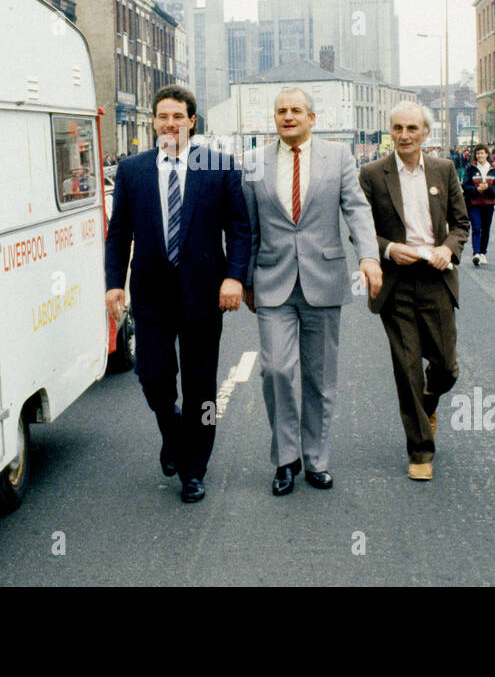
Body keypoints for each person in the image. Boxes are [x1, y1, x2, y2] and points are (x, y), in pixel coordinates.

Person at [104, 84, 250, 504]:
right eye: (163, 116)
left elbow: (239, 229)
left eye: (178, 117)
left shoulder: (218, 167)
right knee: (154, 379)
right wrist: (115, 282)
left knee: (202, 388)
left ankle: (194, 470)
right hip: (152, 296)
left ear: (192, 122)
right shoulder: (133, 171)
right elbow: (119, 235)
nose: (170, 124)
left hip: (205, 295)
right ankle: (173, 433)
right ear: (153, 121)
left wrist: (234, 277)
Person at [242, 88, 382, 495]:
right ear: (274, 118)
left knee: (320, 379)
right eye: (281, 111)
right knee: (276, 370)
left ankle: (316, 460)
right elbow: (248, 225)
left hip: (324, 278)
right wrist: (247, 277)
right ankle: (286, 459)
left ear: (312, 118)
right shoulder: (253, 163)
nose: (288, 117)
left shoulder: (337, 157)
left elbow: (356, 208)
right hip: (272, 281)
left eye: (296, 111)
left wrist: (368, 256)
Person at [359, 103, 469, 480]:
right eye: (398, 128)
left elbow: (461, 223)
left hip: (436, 278)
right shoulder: (372, 174)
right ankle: (420, 451)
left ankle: (427, 404)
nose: (404, 135)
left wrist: (447, 249)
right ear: (390, 132)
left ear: (425, 133)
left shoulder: (444, 169)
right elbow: (361, 229)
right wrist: (388, 249)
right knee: (407, 369)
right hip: (396, 283)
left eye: (412, 128)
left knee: (446, 367)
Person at [462, 144, 495, 265]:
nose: (480, 155)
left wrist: (488, 189)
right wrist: (476, 190)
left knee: (485, 229)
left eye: (482, 153)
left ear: (487, 154)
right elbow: (465, 185)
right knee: (476, 228)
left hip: (488, 203)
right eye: (478, 153)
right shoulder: (470, 169)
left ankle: (483, 253)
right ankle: (476, 254)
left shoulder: (494, 169)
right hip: (474, 203)